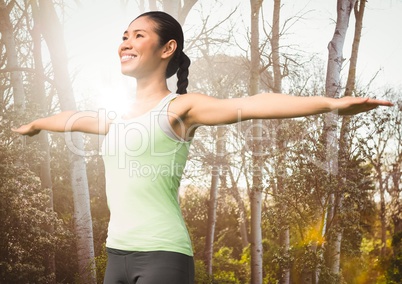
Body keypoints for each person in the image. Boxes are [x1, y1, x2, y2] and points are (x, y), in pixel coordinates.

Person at [12, 11, 393, 284]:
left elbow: (254, 104)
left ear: (167, 48)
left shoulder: (179, 107)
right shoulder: (115, 116)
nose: (125, 42)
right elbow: (72, 117)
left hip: (163, 256)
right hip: (116, 256)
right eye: (124, 35)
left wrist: (331, 104)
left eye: (138, 35)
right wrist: (35, 125)